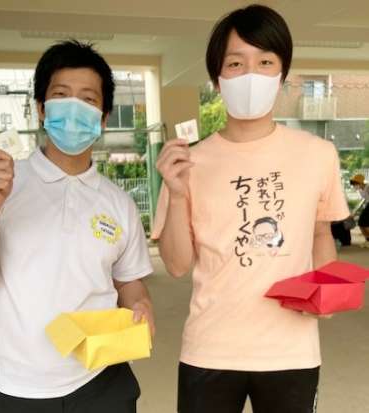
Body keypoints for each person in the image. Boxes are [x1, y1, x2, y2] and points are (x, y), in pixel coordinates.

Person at [153, 5, 349, 413]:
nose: (250, 75)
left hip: (291, 352)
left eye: (265, 62)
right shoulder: (189, 162)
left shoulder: (318, 154)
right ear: (217, 78)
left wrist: (328, 293)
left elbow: (320, 234)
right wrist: (175, 193)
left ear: (282, 74)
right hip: (209, 349)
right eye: (235, 63)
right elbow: (175, 265)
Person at [0, 40, 154, 413]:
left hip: (104, 379)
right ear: (42, 109)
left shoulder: (118, 203)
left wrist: (140, 304)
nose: (74, 108)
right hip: (20, 390)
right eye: (61, 95)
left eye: (88, 100)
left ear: (103, 118)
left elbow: (129, 281)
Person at [350, 174, 369, 248]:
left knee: (363, 222)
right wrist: (355, 210)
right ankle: (367, 240)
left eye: (355, 183)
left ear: (361, 182)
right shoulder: (360, 190)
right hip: (367, 205)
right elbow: (363, 200)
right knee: (361, 223)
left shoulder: (368, 187)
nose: (354, 185)